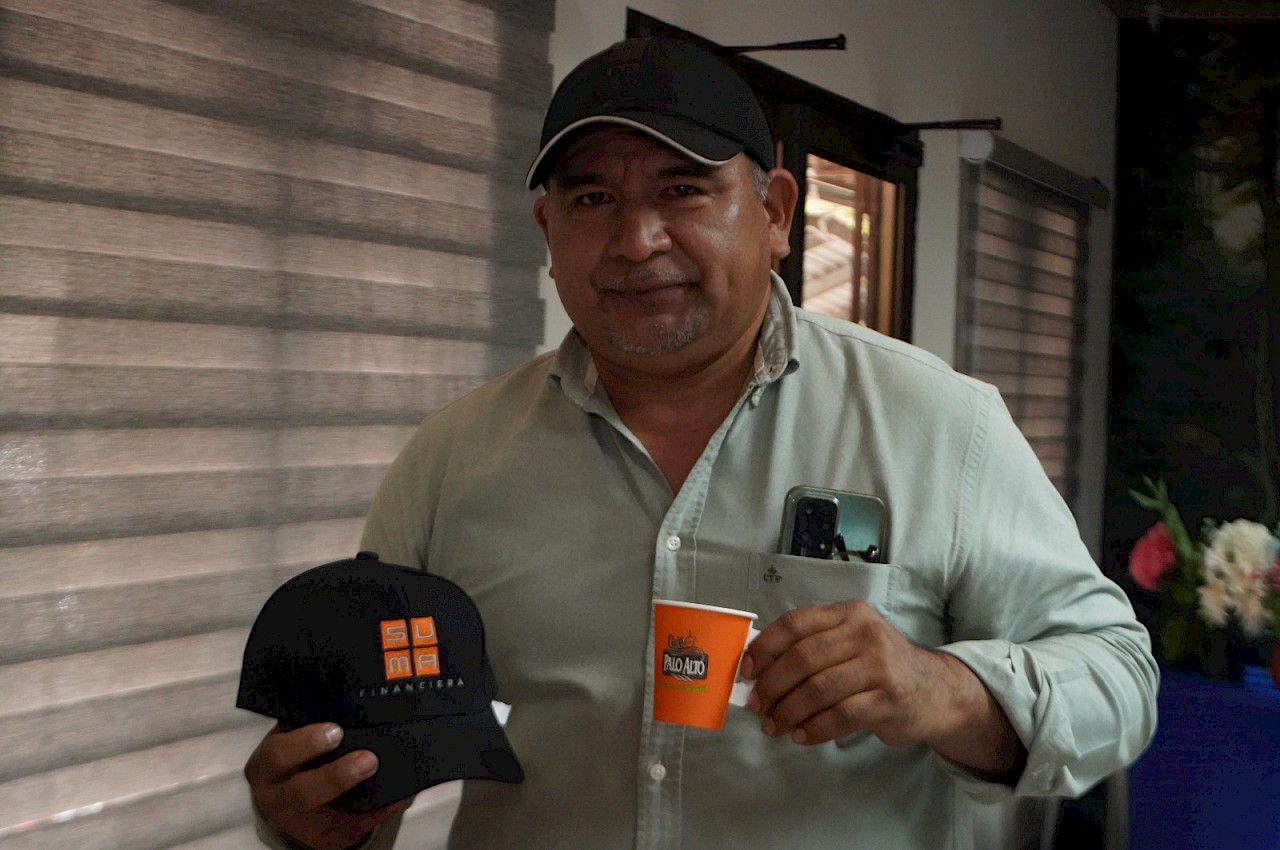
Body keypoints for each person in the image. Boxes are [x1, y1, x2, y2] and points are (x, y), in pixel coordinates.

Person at [243, 36, 1158, 850]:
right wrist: (318, 817)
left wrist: (942, 689)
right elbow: (362, 735)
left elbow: (1117, 677)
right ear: (548, 231)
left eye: (682, 190)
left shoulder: (938, 423)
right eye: (592, 197)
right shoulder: (452, 460)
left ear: (777, 212)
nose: (637, 240)